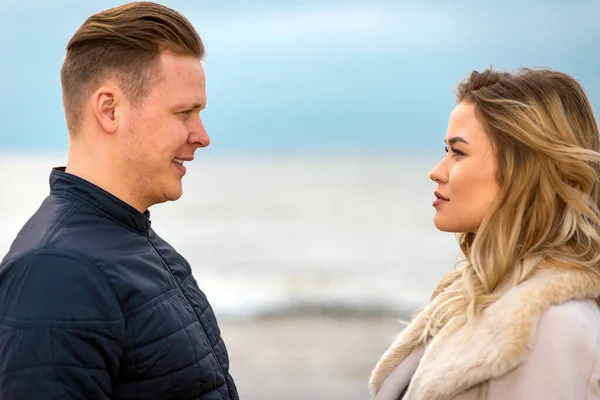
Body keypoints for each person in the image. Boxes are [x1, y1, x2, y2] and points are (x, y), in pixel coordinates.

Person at [0, 2, 239, 399]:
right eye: (184, 112)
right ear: (109, 110)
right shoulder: (57, 273)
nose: (202, 136)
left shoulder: (134, 243)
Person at [369, 67, 600, 399]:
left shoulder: (551, 325)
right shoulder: (469, 299)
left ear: (522, 169)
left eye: (458, 152)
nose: (437, 171)